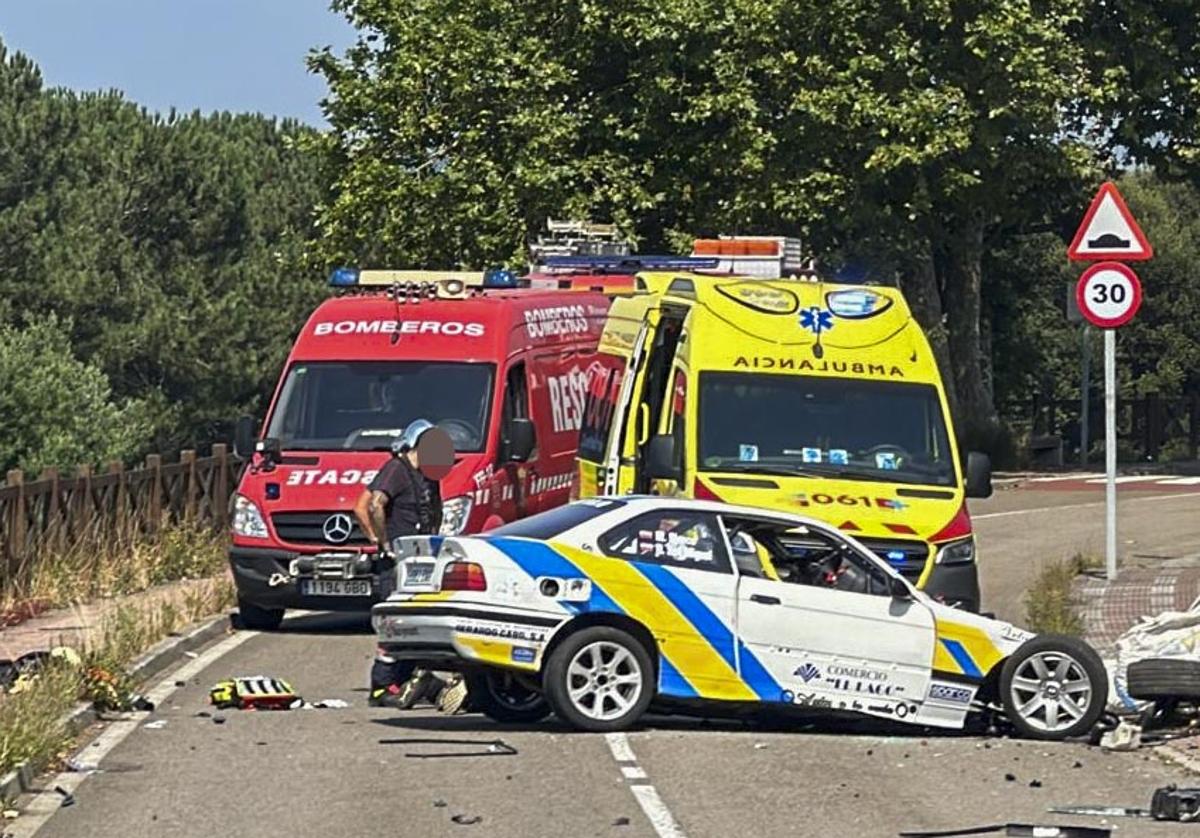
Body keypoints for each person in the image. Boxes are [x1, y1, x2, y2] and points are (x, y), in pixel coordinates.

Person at [353, 419, 468, 713]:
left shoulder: (428, 475)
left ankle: (409, 681)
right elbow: (373, 504)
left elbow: (436, 508)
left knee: (414, 624)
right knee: (395, 625)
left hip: (420, 561)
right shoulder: (397, 469)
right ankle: (383, 686)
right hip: (397, 562)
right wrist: (382, 543)